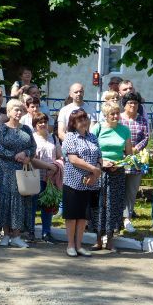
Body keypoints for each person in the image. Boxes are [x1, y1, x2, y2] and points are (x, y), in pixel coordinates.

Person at [0, 100, 56, 248]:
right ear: (8, 112)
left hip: (22, 169)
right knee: (6, 200)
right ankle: (6, 234)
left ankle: (16, 235)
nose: (18, 112)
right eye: (15, 110)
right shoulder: (2, 129)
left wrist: (25, 154)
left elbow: (32, 146)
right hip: (6, 169)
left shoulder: (27, 129)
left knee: (20, 201)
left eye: (20, 110)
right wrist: (16, 155)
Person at [60, 109, 102, 257]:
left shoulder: (92, 137)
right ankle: (70, 245)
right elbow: (73, 159)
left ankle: (79, 245)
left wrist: (95, 173)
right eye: (80, 120)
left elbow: (99, 157)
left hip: (90, 183)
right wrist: (93, 169)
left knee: (83, 216)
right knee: (72, 215)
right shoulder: (70, 137)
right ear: (73, 123)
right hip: (73, 182)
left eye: (85, 118)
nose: (84, 122)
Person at [94, 101, 132, 251]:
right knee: (99, 204)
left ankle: (110, 239)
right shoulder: (97, 128)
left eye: (117, 113)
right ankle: (97, 239)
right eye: (112, 114)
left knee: (113, 205)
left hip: (117, 172)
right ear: (105, 115)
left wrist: (119, 164)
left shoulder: (125, 130)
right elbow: (91, 150)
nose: (116, 116)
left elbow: (129, 155)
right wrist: (103, 162)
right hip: (99, 171)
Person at [119, 91, 151, 232]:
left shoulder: (142, 120)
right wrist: (125, 149)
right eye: (130, 103)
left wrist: (135, 148)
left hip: (136, 160)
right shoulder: (118, 119)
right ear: (124, 105)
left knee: (131, 190)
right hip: (120, 158)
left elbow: (146, 137)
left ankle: (127, 218)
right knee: (118, 188)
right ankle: (116, 218)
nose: (133, 105)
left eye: (136, 103)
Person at [31, 112, 61, 243]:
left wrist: (54, 167)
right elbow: (31, 159)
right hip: (35, 176)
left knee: (48, 207)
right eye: (39, 122)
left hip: (50, 178)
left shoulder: (53, 138)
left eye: (44, 121)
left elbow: (60, 156)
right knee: (32, 205)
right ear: (35, 125)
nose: (43, 124)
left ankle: (46, 232)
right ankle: (30, 232)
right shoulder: (31, 138)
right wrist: (49, 167)